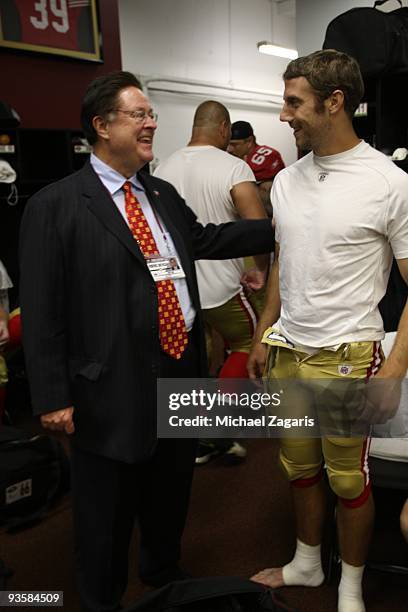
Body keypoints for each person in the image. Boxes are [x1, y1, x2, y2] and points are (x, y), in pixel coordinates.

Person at [19, 71, 274, 612]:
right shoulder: (57, 205)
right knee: (105, 508)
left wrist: (286, 224)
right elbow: (42, 311)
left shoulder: (159, 192)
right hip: (107, 379)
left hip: (179, 364)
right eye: (139, 113)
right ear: (101, 125)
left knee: (171, 483)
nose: (152, 122)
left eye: (151, 112)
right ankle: (100, 598)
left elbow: (205, 239)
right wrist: (51, 396)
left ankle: (160, 565)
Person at [248, 50, 408, 612]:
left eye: (294, 102)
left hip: (348, 353)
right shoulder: (288, 181)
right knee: (297, 467)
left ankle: (350, 587)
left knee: (347, 479)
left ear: (334, 102)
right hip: (288, 349)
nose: (284, 113)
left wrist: (392, 369)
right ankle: (308, 564)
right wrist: (263, 330)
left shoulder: (390, 181)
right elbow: (285, 257)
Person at [155, 101, 269, 464]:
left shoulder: (163, 166)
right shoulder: (234, 166)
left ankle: (190, 431)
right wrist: (262, 270)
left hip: (176, 287)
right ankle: (215, 432)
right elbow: (258, 228)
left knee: (194, 355)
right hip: (221, 286)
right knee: (246, 342)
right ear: (223, 128)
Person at [227, 120, 285, 216]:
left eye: (235, 144)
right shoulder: (236, 158)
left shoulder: (268, 156)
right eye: (229, 144)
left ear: (249, 141)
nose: (229, 149)